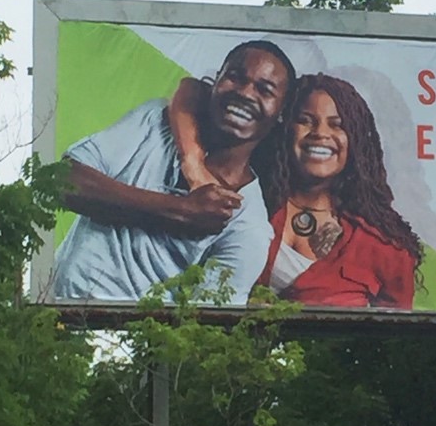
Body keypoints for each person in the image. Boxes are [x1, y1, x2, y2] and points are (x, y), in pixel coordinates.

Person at [52, 40, 296, 304]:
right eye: (235, 78)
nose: (245, 93)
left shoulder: (250, 226)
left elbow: (205, 327)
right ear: (215, 82)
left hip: (131, 340)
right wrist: (179, 209)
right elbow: (62, 180)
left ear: (281, 113)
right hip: (52, 318)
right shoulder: (154, 123)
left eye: (265, 89)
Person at [172, 72, 421, 309]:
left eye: (337, 125)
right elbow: (192, 89)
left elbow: (397, 342)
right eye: (305, 121)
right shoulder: (247, 197)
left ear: (355, 141)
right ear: (285, 128)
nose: (321, 134)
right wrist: (192, 160)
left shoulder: (384, 248)